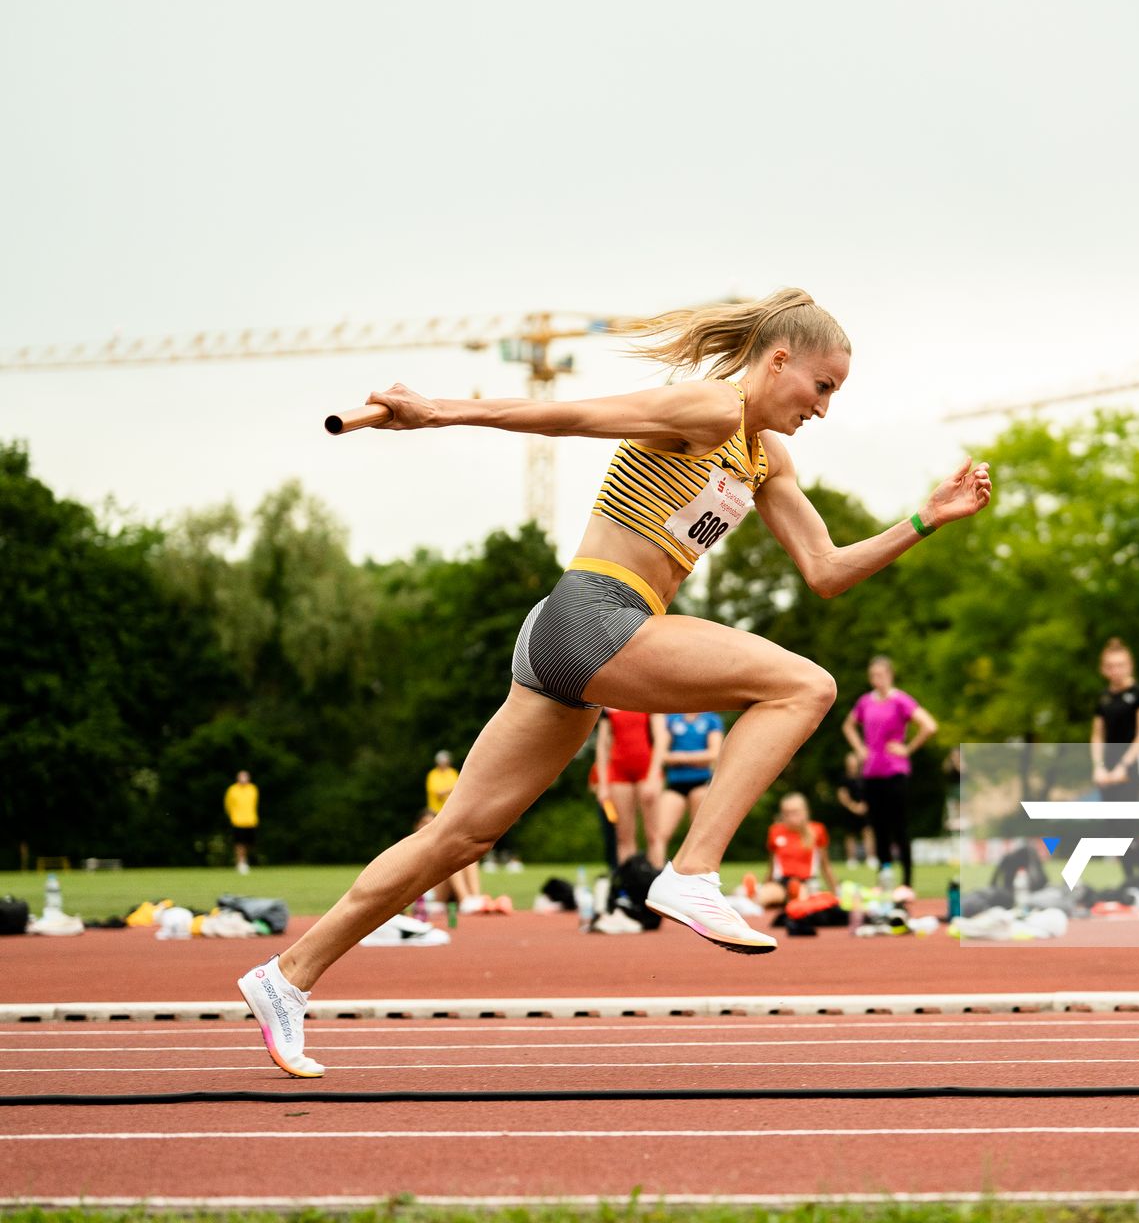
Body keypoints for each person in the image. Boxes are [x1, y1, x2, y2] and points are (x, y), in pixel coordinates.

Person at [238, 288, 992, 1078]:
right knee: (804, 687)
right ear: (777, 362)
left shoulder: (765, 456)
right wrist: (439, 411)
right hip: (600, 613)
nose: (825, 408)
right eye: (822, 386)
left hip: (573, 635)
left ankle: (286, 977)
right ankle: (692, 872)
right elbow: (575, 416)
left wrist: (925, 520)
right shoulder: (709, 407)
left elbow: (827, 571)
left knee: (456, 839)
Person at [841, 656, 938, 886]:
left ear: (890, 675)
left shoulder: (900, 701)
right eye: (873, 675)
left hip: (895, 772)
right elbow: (848, 726)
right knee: (878, 828)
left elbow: (930, 726)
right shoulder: (865, 702)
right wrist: (860, 749)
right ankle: (885, 879)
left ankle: (906, 883)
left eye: (881, 675)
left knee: (899, 826)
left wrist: (907, 748)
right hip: (871, 773)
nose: (877, 679)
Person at [1090, 638, 1139, 877]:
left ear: (1130, 665)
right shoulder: (1103, 697)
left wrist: (1123, 766)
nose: (1116, 670)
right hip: (1107, 770)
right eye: (1111, 665)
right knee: (1113, 827)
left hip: (1131, 768)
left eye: (1121, 665)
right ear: (1104, 669)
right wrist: (1099, 767)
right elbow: (1097, 735)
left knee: (1129, 825)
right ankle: (1130, 879)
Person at [648, 711, 725, 868]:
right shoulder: (672, 719)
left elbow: (714, 753)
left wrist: (680, 757)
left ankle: (697, 871)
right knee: (658, 834)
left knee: (699, 834)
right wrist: (695, 758)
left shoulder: (711, 720)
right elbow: (662, 754)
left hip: (701, 782)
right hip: (675, 784)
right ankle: (655, 874)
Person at [424, 751, 494, 915]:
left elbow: (457, 791)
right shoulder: (433, 775)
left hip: (450, 815)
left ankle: (473, 898)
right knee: (451, 855)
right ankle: (465, 899)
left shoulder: (452, 773)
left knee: (465, 854)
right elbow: (440, 792)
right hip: (431, 895)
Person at [743, 793, 837, 910]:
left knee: (801, 897)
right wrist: (767, 884)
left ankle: (793, 899)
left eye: (795, 812)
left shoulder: (817, 831)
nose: (791, 817)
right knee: (765, 896)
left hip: (806, 882)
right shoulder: (775, 831)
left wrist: (835, 891)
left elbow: (825, 865)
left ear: (804, 812)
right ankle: (755, 894)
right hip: (782, 881)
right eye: (786, 813)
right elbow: (772, 866)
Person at [592, 707, 654, 867]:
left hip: (646, 769)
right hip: (619, 771)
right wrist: (603, 785)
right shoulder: (608, 708)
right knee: (623, 835)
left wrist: (653, 776)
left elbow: (661, 739)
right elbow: (602, 746)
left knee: (653, 834)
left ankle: (655, 881)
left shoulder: (648, 701)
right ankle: (628, 884)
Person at [834, 750, 876, 868]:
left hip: (864, 809)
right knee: (850, 834)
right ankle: (851, 859)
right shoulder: (843, 778)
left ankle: (871, 857)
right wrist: (853, 807)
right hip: (849, 810)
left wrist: (865, 805)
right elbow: (842, 795)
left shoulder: (863, 776)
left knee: (868, 832)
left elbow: (870, 791)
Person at [223, 770, 258, 875]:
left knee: (248, 844)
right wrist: (233, 816)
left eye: (245, 777)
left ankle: (244, 860)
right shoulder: (232, 790)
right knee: (239, 844)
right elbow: (228, 805)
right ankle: (240, 863)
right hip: (237, 821)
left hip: (251, 821)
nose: (243, 779)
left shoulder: (253, 789)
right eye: (241, 777)